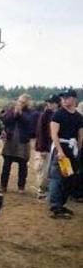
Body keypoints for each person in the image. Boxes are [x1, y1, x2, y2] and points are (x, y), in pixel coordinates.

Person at [48, 89, 83, 218]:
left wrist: (78, 151)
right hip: (61, 148)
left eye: (66, 97)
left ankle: (61, 204)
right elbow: (54, 134)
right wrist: (60, 151)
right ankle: (55, 206)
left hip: (72, 149)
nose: (63, 100)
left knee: (69, 178)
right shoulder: (58, 115)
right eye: (62, 98)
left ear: (73, 99)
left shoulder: (79, 117)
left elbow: (80, 136)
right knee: (57, 178)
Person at [0, 94, 34, 193]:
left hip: (23, 142)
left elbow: (29, 122)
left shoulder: (30, 112)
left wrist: (21, 114)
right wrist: (14, 114)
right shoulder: (11, 110)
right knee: (6, 164)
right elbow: (5, 121)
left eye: (22, 102)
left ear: (27, 103)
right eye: (19, 101)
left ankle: (21, 187)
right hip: (10, 140)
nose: (20, 103)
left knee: (23, 166)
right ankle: (3, 185)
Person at [34, 95, 60, 198]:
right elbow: (41, 133)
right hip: (45, 147)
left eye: (52, 102)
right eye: (49, 102)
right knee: (43, 170)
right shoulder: (45, 115)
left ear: (56, 103)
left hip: (52, 147)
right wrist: (42, 148)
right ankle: (41, 191)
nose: (49, 104)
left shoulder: (57, 115)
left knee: (49, 170)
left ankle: (47, 191)